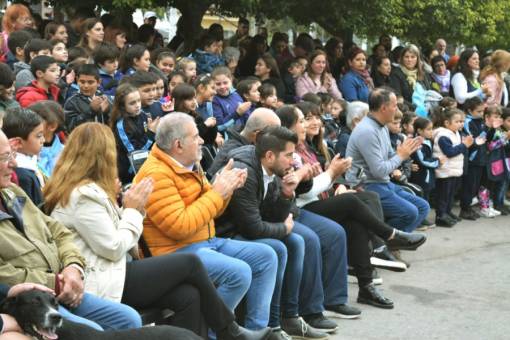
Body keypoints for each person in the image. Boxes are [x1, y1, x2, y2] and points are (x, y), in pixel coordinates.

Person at [43, 122, 269, 340]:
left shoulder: (89, 191)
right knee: (190, 264)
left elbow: (121, 239)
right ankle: (228, 330)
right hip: (104, 277)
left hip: (119, 267)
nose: (201, 140)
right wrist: (132, 211)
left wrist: (131, 209)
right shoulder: (83, 195)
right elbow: (114, 247)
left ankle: (220, 332)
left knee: (188, 295)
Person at [133, 113, 278, 332]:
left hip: (205, 241)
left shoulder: (188, 163)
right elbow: (180, 227)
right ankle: (216, 335)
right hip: (176, 252)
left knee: (266, 256)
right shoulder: (157, 175)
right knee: (238, 273)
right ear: (178, 144)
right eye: (196, 136)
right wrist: (217, 193)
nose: (202, 140)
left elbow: (212, 211)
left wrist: (226, 190)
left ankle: (258, 330)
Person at [0, 129, 143, 332]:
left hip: (66, 283)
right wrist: (57, 282)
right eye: (5, 157)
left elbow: (58, 232)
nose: (14, 164)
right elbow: (113, 247)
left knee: (129, 319)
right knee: (91, 331)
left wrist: (73, 267)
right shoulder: (83, 194)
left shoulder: (12, 192)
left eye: (12, 155)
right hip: (31, 298)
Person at [216, 127, 334, 339]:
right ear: (270, 155)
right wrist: (283, 228)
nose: (293, 161)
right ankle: (265, 327)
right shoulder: (246, 171)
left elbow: (272, 215)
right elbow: (251, 228)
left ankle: (289, 317)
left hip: (244, 228)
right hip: (226, 233)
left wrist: (286, 195)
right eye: (289, 155)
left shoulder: (270, 169)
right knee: (278, 246)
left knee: (296, 241)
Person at [345, 88, 430, 233]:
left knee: (423, 207)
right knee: (410, 213)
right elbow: (379, 171)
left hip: (382, 183)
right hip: (367, 186)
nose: (396, 109)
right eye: (394, 105)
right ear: (384, 108)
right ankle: (384, 242)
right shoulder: (367, 131)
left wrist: (406, 149)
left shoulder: (382, 127)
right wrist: (401, 156)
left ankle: (390, 241)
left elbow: (390, 155)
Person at [109, 83, 159, 184]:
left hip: (146, 165)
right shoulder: (121, 125)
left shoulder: (143, 115)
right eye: (132, 103)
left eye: (138, 101)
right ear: (122, 106)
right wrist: (150, 133)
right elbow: (135, 154)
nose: (137, 105)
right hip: (130, 172)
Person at [433, 108, 473, 226]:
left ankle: (447, 212)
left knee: (451, 194)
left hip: (454, 170)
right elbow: (449, 152)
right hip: (445, 170)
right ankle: (440, 216)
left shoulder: (456, 133)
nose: (461, 124)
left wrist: (466, 144)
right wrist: (464, 145)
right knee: (444, 195)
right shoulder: (443, 135)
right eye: (457, 121)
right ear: (447, 123)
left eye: (462, 121)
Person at [3, 108, 45, 206]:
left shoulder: (31, 161)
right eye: (38, 136)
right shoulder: (22, 175)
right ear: (18, 142)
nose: (43, 140)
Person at [458, 97, 488, 220]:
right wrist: (479, 139)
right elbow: (472, 140)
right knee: (468, 185)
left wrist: (488, 127)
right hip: (472, 159)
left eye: (483, 111)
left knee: (475, 186)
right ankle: (464, 209)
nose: (481, 114)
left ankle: (468, 208)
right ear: (470, 111)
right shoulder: (467, 122)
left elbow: (486, 138)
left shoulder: (480, 121)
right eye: (478, 111)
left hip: (480, 158)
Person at [64, 64, 110, 132]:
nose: (86, 86)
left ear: (99, 82)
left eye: (90, 82)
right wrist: (91, 111)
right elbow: (70, 128)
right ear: (77, 80)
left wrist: (107, 111)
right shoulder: (72, 101)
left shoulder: (104, 98)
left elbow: (113, 123)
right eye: (82, 82)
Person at [28, 100, 65, 177]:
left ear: (52, 126)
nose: (28, 125)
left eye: (35, 121)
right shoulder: (26, 151)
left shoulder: (67, 154)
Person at [410, 117, 442, 203]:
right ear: (419, 131)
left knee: (426, 196)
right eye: (428, 129)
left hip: (428, 174)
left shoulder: (428, 141)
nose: (431, 131)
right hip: (420, 176)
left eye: (432, 129)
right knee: (420, 197)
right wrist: (438, 161)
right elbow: (422, 160)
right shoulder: (417, 143)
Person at [212, 66, 250, 133]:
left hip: (242, 133)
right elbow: (219, 126)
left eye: (225, 83)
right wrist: (237, 113)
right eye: (218, 84)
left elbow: (246, 116)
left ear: (231, 81)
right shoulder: (214, 100)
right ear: (212, 84)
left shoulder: (235, 94)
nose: (222, 86)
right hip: (229, 138)